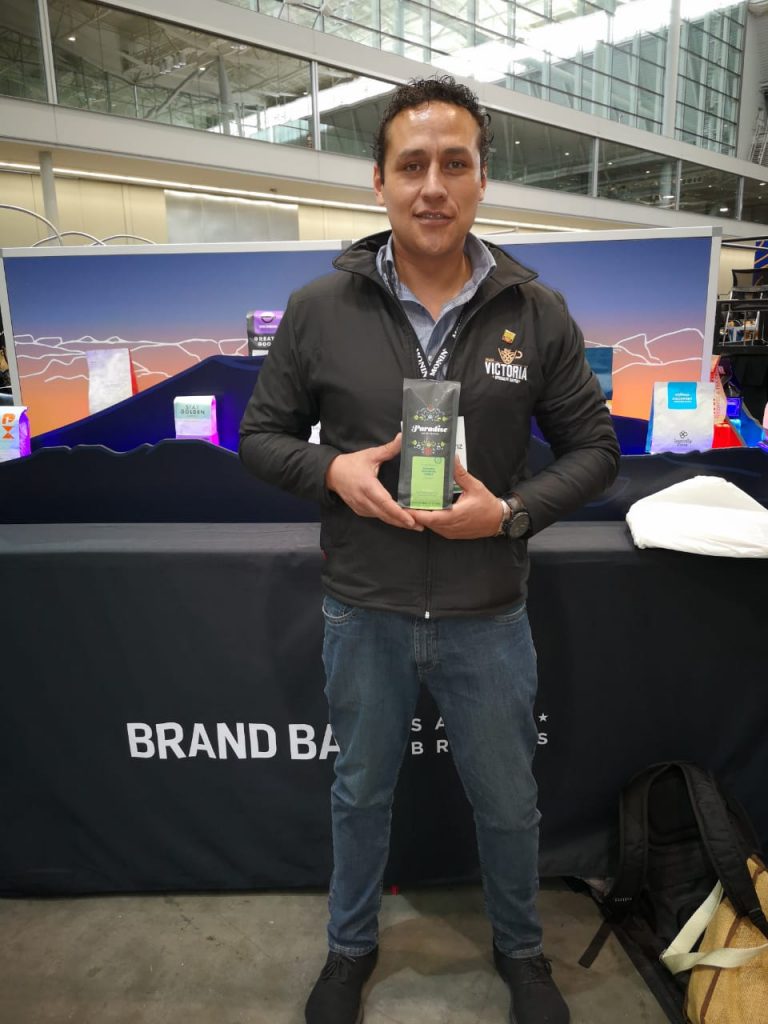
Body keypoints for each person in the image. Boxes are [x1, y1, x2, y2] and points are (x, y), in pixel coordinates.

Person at [239, 75, 620, 1024]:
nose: (434, 186)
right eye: (412, 166)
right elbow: (259, 437)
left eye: (456, 164)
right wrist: (333, 472)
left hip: (488, 613)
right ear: (379, 182)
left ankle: (521, 952)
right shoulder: (318, 307)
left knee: (509, 804)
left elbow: (596, 451)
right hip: (362, 608)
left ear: (483, 179)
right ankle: (349, 948)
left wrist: (511, 514)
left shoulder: (536, 311)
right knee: (359, 797)